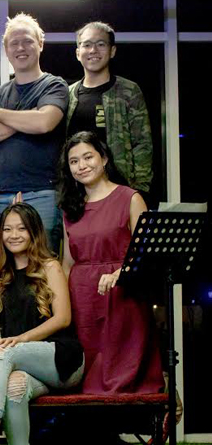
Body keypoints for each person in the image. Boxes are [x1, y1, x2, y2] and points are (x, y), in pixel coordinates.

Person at [0, 203, 84, 445]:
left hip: (62, 359)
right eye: (7, 229)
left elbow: (63, 318)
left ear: (34, 232)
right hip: (24, 366)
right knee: (15, 387)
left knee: (3, 353)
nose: (13, 235)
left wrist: (21, 340)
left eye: (21, 229)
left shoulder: (49, 266)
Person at [59, 131, 163, 394]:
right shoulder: (70, 207)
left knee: (122, 373)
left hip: (122, 294)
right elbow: (67, 262)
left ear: (104, 158)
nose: (81, 166)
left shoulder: (130, 198)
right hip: (83, 298)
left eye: (88, 157)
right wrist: (61, 302)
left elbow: (145, 255)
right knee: (87, 375)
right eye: (74, 161)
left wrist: (121, 273)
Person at [0, 13, 69, 252]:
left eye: (27, 41)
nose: (20, 48)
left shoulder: (53, 85)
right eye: (14, 43)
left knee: (42, 263)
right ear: (6, 50)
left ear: (40, 44)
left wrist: (1, 115)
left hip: (43, 194)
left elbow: (45, 123)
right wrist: (31, 116)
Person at [66, 21, 153, 197]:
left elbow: (142, 143)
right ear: (78, 53)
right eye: (87, 45)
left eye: (101, 44)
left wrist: (140, 189)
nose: (93, 50)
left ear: (112, 51)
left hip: (120, 187)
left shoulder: (129, 91)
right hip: (75, 191)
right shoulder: (67, 95)